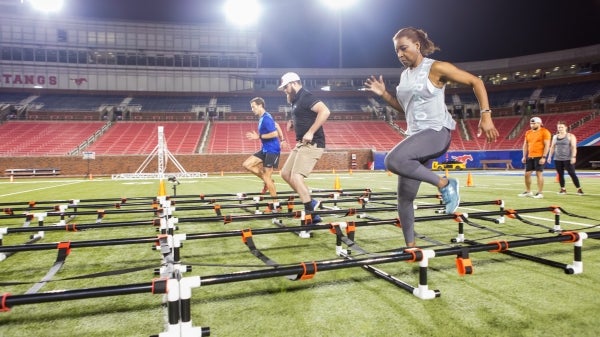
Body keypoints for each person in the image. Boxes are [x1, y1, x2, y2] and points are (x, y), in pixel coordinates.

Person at [363, 27, 499, 248]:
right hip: (416, 137)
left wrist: (486, 116)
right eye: (396, 51)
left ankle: (445, 183)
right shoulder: (404, 75)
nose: (399, 54)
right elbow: (404, 109)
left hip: (436, 133)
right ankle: (411, 247)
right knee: (405, 198)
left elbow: (477, 82)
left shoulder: (436, 68)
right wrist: (384, 94)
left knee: (392, 160)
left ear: (417, 46)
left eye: (403, 48)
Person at [278, 72, 331, 234]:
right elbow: (305, 115)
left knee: (296, 176)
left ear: (294, 83)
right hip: (301, 143)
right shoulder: (295, 100)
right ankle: (311, 201)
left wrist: (310, 132)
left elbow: (325, 111)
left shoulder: (306, 96)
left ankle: (312, 212)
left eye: (286, 87)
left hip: (312, 143)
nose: (285, 90)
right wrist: (293, 123)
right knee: (285, 174)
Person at [243, 97, 286, 203]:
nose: (252, 109)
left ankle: (276, 204)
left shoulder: (266, 118)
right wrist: (283, 139)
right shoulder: (264, 117)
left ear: (260, 105)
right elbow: (277, 126)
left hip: (272, 150)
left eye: (253, 107)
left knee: (267, 176)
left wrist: (259, 137)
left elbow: (274, 133)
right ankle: (268, 181)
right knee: (247, 164)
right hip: (265, 149)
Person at [518, 116, 552, 199]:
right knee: (527, 174)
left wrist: (544, 157)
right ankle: (528, 191)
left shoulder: (545, 132)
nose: (532, 125)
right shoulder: (528, 132)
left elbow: (547, 145)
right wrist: (524, 156)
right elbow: (525, 145)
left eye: (534, 123)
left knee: (538, 173)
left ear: (539, 123)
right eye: (531, 123)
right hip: (530, 156)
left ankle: (540, 193)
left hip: (539, 156)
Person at [547, 121, 583, 195]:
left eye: (562, 127)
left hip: (568, 158)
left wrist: (573, 157)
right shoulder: (555, 137)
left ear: (566, 127)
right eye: (559, 127)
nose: (560, 129)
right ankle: (563, 189)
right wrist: (550, 156)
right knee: (560, 174)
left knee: (572, 173)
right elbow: (552, 147)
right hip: (557, 158)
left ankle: (579, 189)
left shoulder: (570, 136)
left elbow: (573, 147)